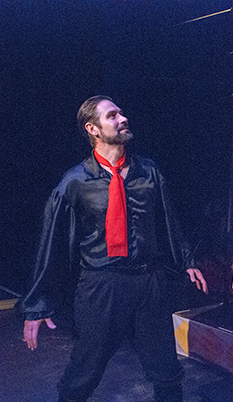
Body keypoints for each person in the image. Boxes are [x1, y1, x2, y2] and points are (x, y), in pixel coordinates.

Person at [19, 95, 207, 402]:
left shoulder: (148, 171)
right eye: (112, 116)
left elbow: (168, 220)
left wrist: (186, 260)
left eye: (121, 113)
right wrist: (37, 304)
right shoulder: (76, 181)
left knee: (166, 371)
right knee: (84, 372)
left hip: (148, 282)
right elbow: (50, 243)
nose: (122, 118)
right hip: (101, 286)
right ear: (92, 129)